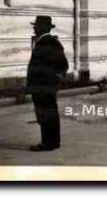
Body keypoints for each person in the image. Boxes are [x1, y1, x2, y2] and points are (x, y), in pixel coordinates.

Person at [26, 15, 68, 152]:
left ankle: (47, 143)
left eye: (36, 26)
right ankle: (53, 142)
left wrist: (51, 80)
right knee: (48, 115)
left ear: (43, 28)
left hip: (43, 87)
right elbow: (63, 66)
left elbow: (62, 65)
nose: (34, 28)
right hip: (45, 86)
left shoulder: (47, 43)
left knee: (45, 115)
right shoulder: (49, 42)